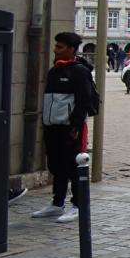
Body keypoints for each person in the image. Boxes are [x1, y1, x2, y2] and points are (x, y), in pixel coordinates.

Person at [32, 31, 99, 224]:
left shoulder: (79, 71)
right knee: (56, 165)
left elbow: (84, 101)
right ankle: (57, 203)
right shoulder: (54, 71)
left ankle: (78, 205)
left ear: (71, 49)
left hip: (71, 128)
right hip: (52, 126)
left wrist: (76, 126)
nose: (56, 50)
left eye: (60, 47)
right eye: (56, 46)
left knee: (73, 166)